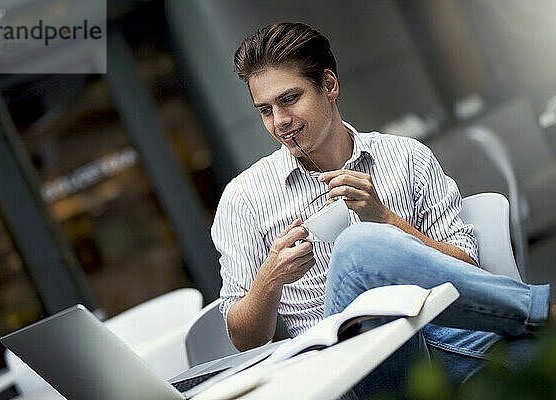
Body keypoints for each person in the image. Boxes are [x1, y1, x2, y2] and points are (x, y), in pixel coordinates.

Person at [211, 21, 552, 397]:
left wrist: (386, 220)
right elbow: (244, 339)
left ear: (329, 85)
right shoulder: (243, 199)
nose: (280, 122)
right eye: (265, 110)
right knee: (357, 247)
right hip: (342, 372)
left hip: (444, 339)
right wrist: (270, 279)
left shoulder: (407, 158)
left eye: (289, 99)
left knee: (532, 358)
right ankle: (540, 309)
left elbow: (468, 274)